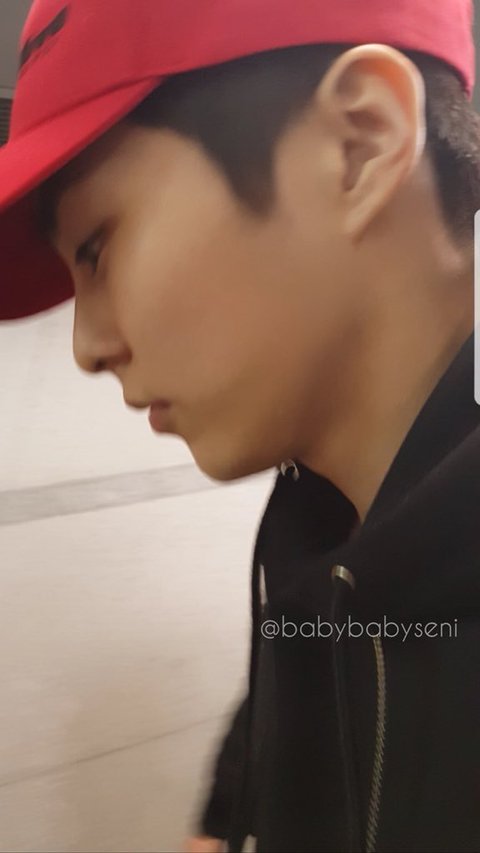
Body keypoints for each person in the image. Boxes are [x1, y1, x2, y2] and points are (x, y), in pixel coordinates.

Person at [1, 1, 479, 851]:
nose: (87, 346)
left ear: (359, 145)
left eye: (97, 249)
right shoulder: (322, 523)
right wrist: (234, 807)